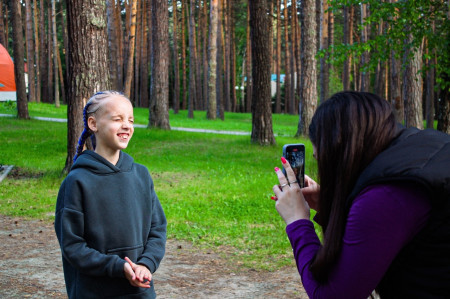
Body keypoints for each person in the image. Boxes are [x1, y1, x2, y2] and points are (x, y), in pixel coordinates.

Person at [272, 91, 450, 298]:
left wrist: (297, 222)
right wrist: (330, 204)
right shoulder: (424, 144)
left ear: (339, 152)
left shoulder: (386, 195)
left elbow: (333, 295)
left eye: (321, 159)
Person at [55, 91, 167, 298]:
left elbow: (157, 228)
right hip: (94, 292)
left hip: (140, 290)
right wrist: (117, 267)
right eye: (117, 119)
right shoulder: (76, 182)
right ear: (93, 123)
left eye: (131, 120)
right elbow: (73, 246)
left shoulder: (141, 175)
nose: (127, 125)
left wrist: (145, 264)